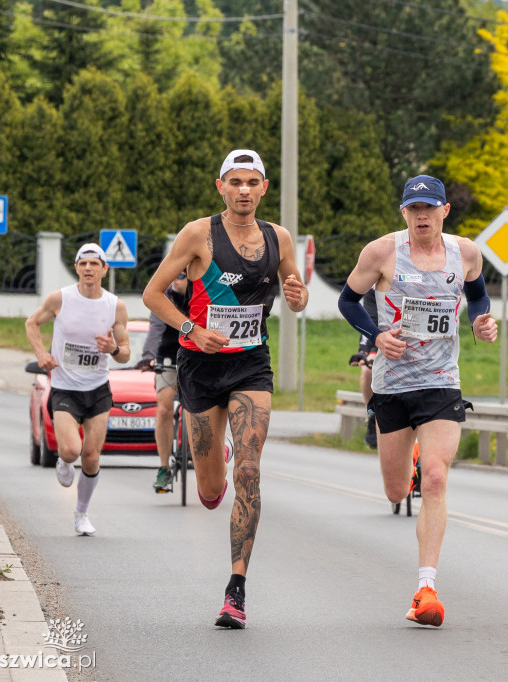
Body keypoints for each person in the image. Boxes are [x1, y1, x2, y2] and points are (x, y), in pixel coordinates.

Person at [142, 149, 308, 629]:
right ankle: (213, 464)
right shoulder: (199, 234)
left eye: (251, 182)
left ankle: (236, 589)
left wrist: (298, 296)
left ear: (264, 188)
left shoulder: (279, 238)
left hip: (251, 365)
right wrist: (191, 331)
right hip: (200, 368)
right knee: (212, 489)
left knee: (250, 471)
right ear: (221, 187)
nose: (243, 190)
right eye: (235, 182)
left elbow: (295, 295)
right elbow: (153, 295)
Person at [337, 174, 497, 627]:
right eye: (414, 209)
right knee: (394, 490)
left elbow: (478, 295)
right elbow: (347, 301)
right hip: (393, 384)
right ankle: (406, 462)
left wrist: (482, 322)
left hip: (442, 380)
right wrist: (377, 335)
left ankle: (426, 587)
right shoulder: (382, 252)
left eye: (430, 208)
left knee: (436, 478)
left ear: (445, 211)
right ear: (403, 212)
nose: (421, 216)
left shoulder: (465, 253)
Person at [25, 243, 131, 536]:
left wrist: (112, 348)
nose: (88, 269)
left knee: (92, 457)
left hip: (97, 388)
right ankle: (62, 459)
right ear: (76, 268)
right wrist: (41, 354)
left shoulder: (115, 306)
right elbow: (31, 322)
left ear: (104, 269)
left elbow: (125, 354)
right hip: (64, 387)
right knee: (71, 450)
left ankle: (81, 513)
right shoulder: (60, 299)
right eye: (82, 263)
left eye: (94, 264)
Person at [135, 270, 191, 492]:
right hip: (168, 357)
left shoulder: (201, 295)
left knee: (199, 409)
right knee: (164, 409)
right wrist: (148, 357)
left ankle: (201, 453)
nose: (177, 279)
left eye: (182, 275)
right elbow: (155, 330)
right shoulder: (164, 296)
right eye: (174, 275)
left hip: (197, 358)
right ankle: (164, 467)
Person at [347, 288, 379, 449]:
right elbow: (369, 322)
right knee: (367, 370)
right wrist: (365, 353)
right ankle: (373, 415)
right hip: (383, 337)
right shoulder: (374, 289)